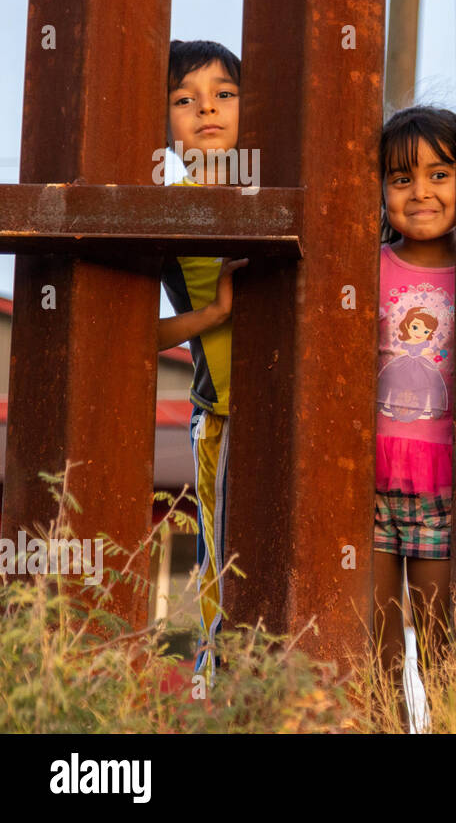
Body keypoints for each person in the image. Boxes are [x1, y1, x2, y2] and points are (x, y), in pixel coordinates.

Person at [158, 39, 249, 683]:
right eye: (184, 101)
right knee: (225, 563)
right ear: (164, 124)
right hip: (222, 416)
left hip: (308, 410)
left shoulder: (281, 187)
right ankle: (213, 692)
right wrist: (213, 315)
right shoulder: (166, 207)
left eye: (223, 95)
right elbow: (135, 330)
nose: (206, 110)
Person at [372, 106, 456, 709]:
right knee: (371, 650)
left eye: (440, 174)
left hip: (444, 488)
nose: (420, 191)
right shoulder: (367, 265)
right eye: (402, 179)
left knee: (443, 646)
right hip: (368, 484)